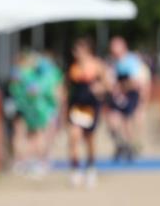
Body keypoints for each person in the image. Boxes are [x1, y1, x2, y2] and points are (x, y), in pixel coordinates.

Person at [6, 50, 61, 179]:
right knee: (36, 135)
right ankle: (36, 161)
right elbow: (38, 91)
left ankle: (25, 161)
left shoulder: (21, 73)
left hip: (26, 108)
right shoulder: (34, 74)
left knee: (26, 135)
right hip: (33, 109)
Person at [65, 38, 107, 187]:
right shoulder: (74, 68)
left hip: (90, 106)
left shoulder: (97, 65)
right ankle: (75, 169)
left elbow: (107, 84)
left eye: (79, 50)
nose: (76, 53)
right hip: (77, 106)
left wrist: (100, 88)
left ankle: (90, 167)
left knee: (89, 139)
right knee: (74, 136)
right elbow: (68, 88)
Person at [104, 37, 145, 161]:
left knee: (127, 124)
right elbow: (109, 79)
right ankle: (121, 145)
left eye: (115, 46)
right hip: (117, 95)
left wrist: (120, 86)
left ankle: (130, 148)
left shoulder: (131, 61)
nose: (113, 49)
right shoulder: (112, 61)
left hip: (130, 95)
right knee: (112, 122)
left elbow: (136, 82)